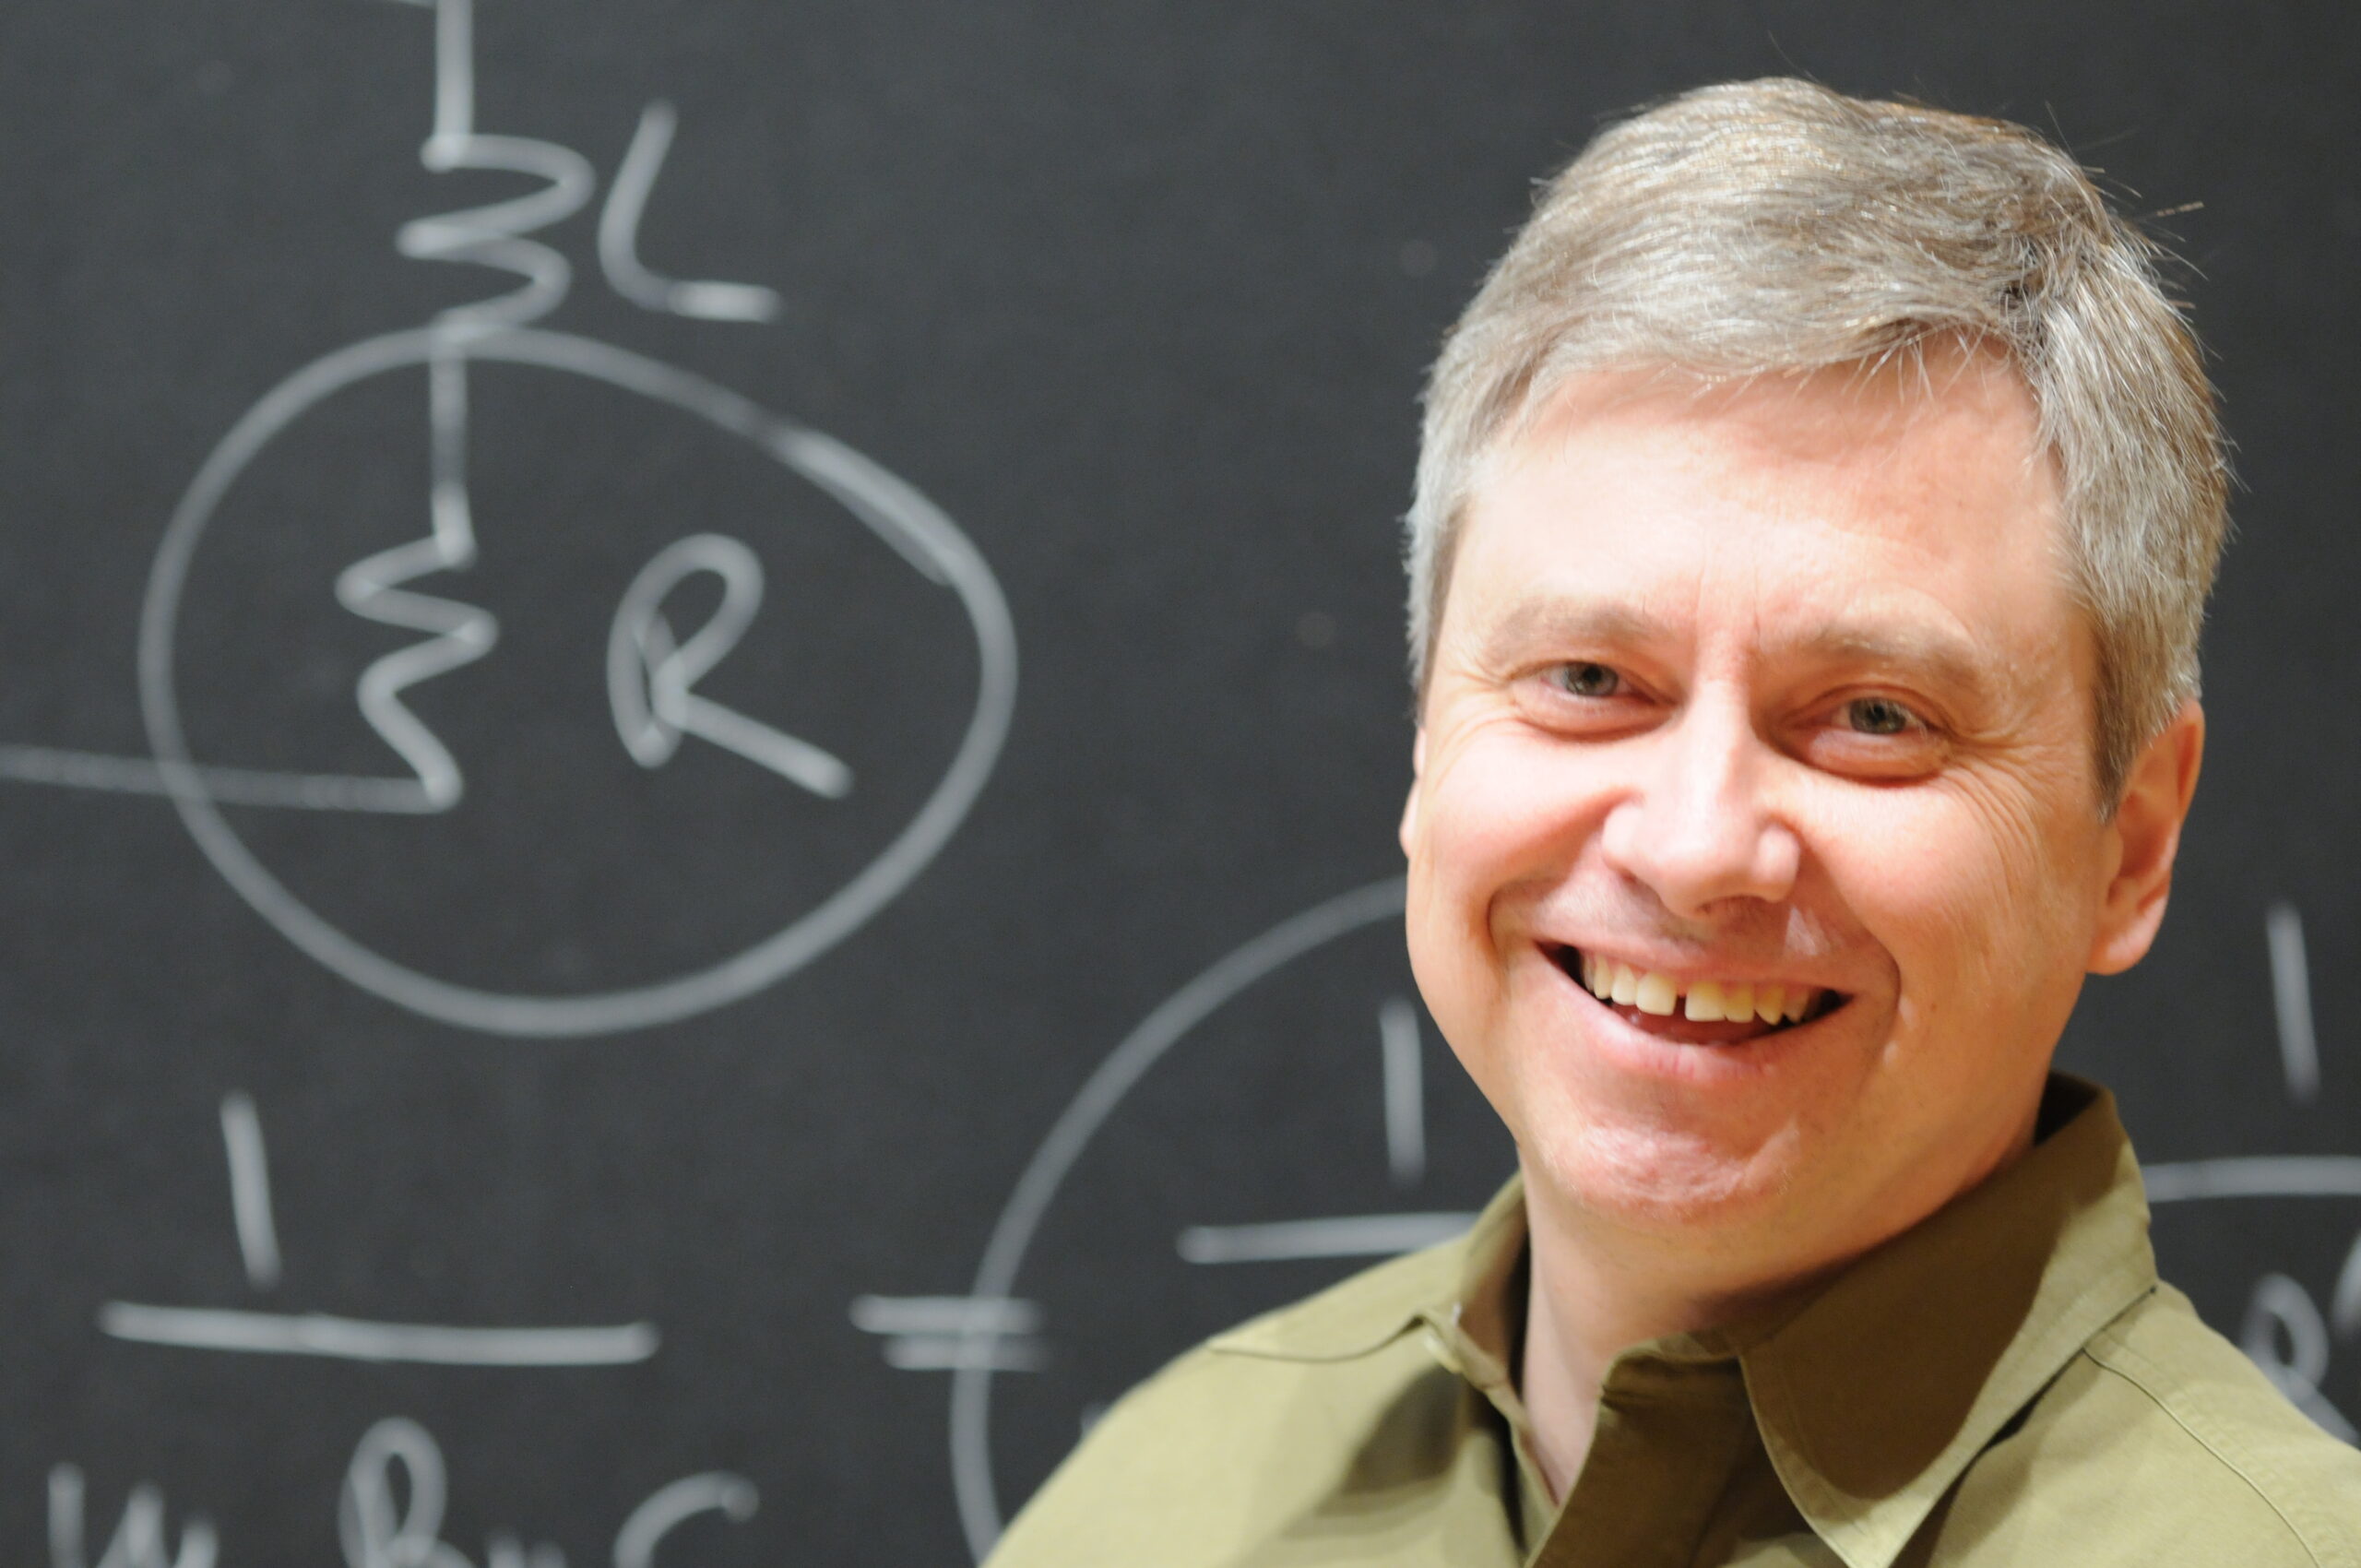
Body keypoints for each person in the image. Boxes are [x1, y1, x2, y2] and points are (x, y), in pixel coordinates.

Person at [985, 78, 2361, 1565]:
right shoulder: (1160, 1503)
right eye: (1589, 680)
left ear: (2131, 846)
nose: (1697, 848)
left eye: (1875, 715)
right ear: (1429, 740)